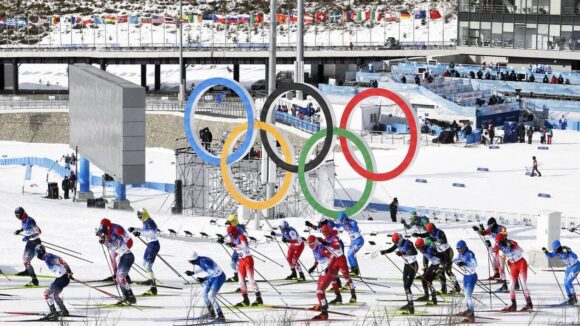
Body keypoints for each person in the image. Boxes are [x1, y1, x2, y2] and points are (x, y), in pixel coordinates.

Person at [96, 218, 136, 305]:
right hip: (124, 256)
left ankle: (131, 297)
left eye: (104, 234)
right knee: (119, 278)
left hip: (127, 256)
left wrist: (105, 239)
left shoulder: (114, 235)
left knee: (120, 277)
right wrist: (100, 235)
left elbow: (116, 243)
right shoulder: (107, 234)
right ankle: (126, 296)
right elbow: (102, 233)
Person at [414, 223, 461, 294]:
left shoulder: (440, 232)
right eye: (429, 231)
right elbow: (426, 234)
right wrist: (418, 235)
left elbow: (444, 241)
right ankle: (443, 289)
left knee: (448, 271)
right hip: (441, 253)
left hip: (447, 252)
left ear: (433, 228)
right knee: (441, 272)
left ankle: (457, 286)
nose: (430, 232)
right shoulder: (430, 232)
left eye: (430, 231)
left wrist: (435, 239)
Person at [222, 225, 262, 307]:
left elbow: (244, 246)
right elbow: (232, 244)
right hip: (241, 261)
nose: (230, 236)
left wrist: (234, 245)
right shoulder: (233, 237)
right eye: (229, 235)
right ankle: (245, 300)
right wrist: (223, 242)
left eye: (231, 234)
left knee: (251, 280)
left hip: (248, 259)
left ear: (234, 232)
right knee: (241, 281)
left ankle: (259, 298)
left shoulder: (241, 236)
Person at [380, 232, 418, 314]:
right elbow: (392, 249)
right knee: (405, 284)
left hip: (413, 265)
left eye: (396, 241)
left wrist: (403, 253)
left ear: (399, 239)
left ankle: (411, 306)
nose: (395, 243)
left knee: (407, 285)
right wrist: (385, 251)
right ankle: (409, 303)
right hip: (407, 265)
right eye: (394, 242)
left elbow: (415, 252)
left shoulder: (408, 243)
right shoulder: (398, 243)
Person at [34, 245, 73, 321]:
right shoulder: (48, 256)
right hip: (61, 278)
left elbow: (62, 261)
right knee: (55, 295)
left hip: (62, 278)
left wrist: (69, 272)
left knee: (47, 293)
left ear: (39, 253)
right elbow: (61, 261)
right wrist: (69, 272)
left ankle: (53, 313)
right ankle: (64, 311)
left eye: (36, 253)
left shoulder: (48, 257)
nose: (36, 255)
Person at [320, 224, 356, 303]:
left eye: (324, 232)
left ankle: (353, 295)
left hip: (341, 259)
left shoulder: (334, 237)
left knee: (347, 277)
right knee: (333, 278)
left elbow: (336, 246)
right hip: (334, 259)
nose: (323, 234)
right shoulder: (326, 238)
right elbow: (325, 250)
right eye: (322, 232)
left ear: (327, 231)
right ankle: (338, 297)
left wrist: (328, 244)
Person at [496, 233, 533, 311]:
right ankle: (513, 305)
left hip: (521, 263)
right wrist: (489, 245)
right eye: (497, 242)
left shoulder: (511, 242)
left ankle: (529, 303)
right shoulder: (500, 247)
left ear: (503, 240)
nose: (498, 244)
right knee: (511, 286)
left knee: (523, 285)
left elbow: (521, 250)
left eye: (499, 242)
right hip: (513, 266)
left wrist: (514, 245)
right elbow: (498, 254)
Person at [185, 251, 226, 321]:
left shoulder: (204, 261)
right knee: (204, 294)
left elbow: (214, 272)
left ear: (193, 260)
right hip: (213, 277)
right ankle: (211, 313)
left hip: (219, 277)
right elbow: (203, 268)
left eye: (190, 261)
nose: (190, 263)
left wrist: (204, 279)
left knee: (211, 296)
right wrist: (193, 272)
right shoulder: (200, 260)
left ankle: (220, 315)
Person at [128, 208, 160, 296]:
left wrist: (140, 234)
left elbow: (152, 233)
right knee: (144, 263)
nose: (139, 218)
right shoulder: (145, 221)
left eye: (140, 216)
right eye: (138, 217)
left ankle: (154, 288)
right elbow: (144, 229)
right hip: (151, 245)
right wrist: (135, 229)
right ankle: (151, 279)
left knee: (148, 266)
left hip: (153, 245)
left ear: (144, 214)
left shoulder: (149, 221)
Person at [307, 235, 338, 320]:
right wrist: (313, 267)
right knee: (319, 291)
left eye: (312, 245)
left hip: (331, 270)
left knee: (320, 292)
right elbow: (317, 259)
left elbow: (334, 257)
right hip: (324, 271)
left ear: (316, 242)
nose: (310, 246)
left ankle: (324, 314)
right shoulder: (315, 249)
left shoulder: (322, 248)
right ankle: (323, 305)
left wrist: (329, 267)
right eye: (309, 245)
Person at [474, 217, 508, 291]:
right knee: (494, 262)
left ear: (494, 224)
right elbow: (483, 233)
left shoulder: (501, 228)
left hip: (503, 246)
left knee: (500, 263)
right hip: (496, 246)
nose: (489, 228)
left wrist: (499, 234)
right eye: (488, 226)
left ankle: (503, 278)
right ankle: (497, 274)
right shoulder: (490, 229)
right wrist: (478, 230)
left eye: (490, 226)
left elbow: (505, 234)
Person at [543, 240, 580, 305]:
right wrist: (546, 252)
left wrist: (569, 252)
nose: (555, 251)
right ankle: (570, 298)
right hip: (569, 268)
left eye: (556, 249)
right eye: (554, 249)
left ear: (559, 247)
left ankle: (574, 298)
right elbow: (551, 255)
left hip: (576, 266)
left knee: (568, 282)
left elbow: (575, 256)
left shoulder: (566, 249)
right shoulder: (556, 251)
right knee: (565, 283)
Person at [14, 207, 42, 287]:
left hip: (35, 242)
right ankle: (27, 271)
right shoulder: (23, 220)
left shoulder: (30, 220)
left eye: (18, 215)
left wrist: (29, 237)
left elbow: (39, 231)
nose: (18, 217)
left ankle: (34, 280)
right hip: (30, 242)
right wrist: (20, 230)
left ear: (22, 213)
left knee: (26, 261)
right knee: (24, 259)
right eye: (16, 216)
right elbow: (25, 227)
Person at [454, 240, 478, 323]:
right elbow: (456, 259)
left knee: (468, 296)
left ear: (464, 247)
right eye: (457, 249)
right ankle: (468, 310)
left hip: (471, 276)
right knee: (466, 296)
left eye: (460, 249)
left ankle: (471, 316)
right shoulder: (460, 254)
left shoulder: (469, 253)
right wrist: (450, 262)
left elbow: (475, 264)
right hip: (465, 276)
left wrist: (464, 264)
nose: (458, 250)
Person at [415, 238, 441, 305]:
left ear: (422, 245)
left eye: (418, 247)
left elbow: (441, 256)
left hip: (438, 265)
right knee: (424, 279)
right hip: (433, 264)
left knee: (429, 280)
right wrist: (426, 266)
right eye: (417, 247)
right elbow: (426, 257)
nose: (418, 249)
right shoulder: (423, 250)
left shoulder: (430, 250)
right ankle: (426, 296)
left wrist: (442, 266)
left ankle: (434, 299)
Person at [224, 214, 248, 282]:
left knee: (239, 263)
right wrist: (222, 238)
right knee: (232, 263)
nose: (229, 223)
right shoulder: (231, 227)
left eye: (230, 222)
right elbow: (228, 234)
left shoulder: (239, 227)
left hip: (242, 247)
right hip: (235, 247)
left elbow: (246, 234)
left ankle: (241, 277)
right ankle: (237, 275)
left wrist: (242, 232)